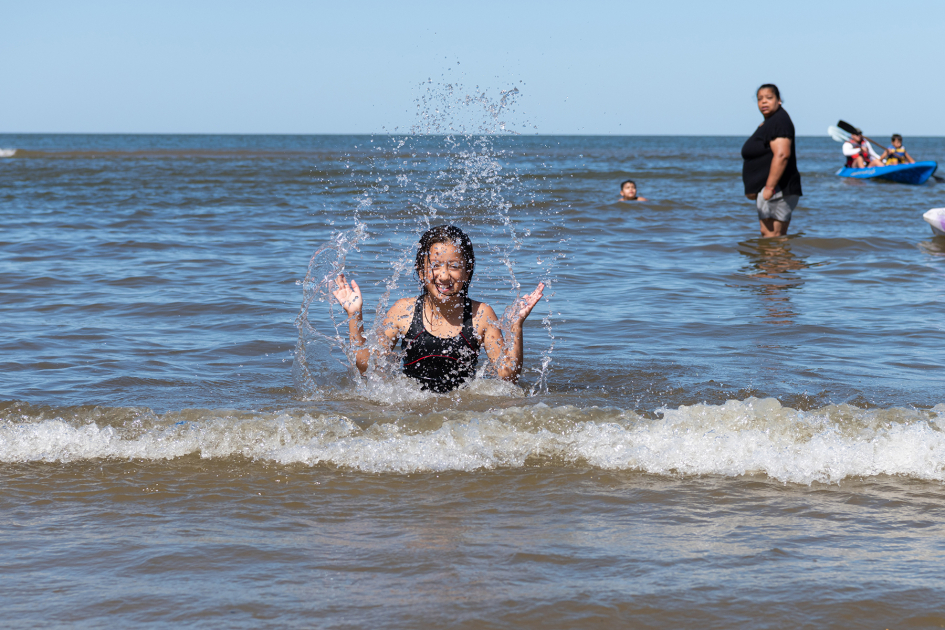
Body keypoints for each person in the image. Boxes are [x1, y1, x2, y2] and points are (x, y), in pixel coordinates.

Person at [332, 224, 546, 393]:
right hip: (411, 407)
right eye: (435, 266)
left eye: (454, 266)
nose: (443, 276)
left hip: (462, 412)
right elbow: (367, 366)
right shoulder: (403, 311)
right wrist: (354, 315)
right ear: (421, 271)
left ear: (467, 271)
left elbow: (508, 377)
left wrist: (516, 326)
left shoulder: (481, 315)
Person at [741, 84, 803, 238]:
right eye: (760, 99)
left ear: (778, 100)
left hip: (777, 189)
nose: (764, 102)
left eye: (769, 98)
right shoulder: (772, 121)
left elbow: (782, 155)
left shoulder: (779, 121)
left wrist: (769, 187)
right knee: (775, 236)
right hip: (775, 189)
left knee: (771, 235)